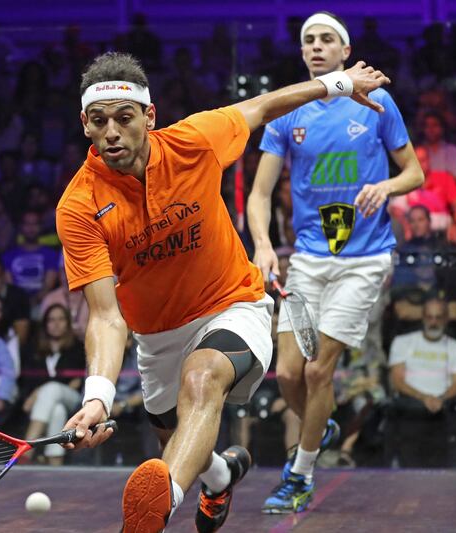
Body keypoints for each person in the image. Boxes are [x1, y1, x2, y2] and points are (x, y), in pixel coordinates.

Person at [56, 49, 390, 533]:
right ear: (84, 124)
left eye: (124, 118)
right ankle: (220, 476)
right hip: (156, 337)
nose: (112, 133)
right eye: (99, 120)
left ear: (149, 117)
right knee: (185, 440)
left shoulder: (195, 140)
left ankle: (158, 508)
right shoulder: (79, 206)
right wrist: (97, 398)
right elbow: (106, 316)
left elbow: (261, 106)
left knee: (202, 380)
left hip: (232, 304)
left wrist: (337, 83)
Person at [245, 12, 422, 513]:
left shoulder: (377, 102)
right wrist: (262, 245)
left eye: (327, 40)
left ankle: (300, 475)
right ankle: (322, 425)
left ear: (345, 53)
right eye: (309, 41)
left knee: (320, 371)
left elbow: (414, 172)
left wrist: (384, 186)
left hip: (364, 259)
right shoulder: (288, 111)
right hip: (307, 259)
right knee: (287, 376)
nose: (317, 47)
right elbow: (259, 195)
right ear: (303, 54)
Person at [388, 297, 456, 467]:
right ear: (423, 318)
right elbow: (397, 381)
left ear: (446, 319)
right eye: (429, 317)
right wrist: (424, 398)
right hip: (411, 403)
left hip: (444, 404)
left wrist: (440, 399)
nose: (433, 322)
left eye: (438, 317)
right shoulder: (402, 342)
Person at [22, 304, 86, 464]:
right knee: (57, 410)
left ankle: (26, 451)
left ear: (68, 323)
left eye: (61, 319)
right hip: (45, 404)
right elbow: (27, 381)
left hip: (73, 400)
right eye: (51, 320)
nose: (56, 324)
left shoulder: (78, 348)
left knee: (51, 390)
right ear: (45, 324)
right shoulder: (34, 349)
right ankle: (55, 464)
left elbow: (77, 382)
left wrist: (39, 391)